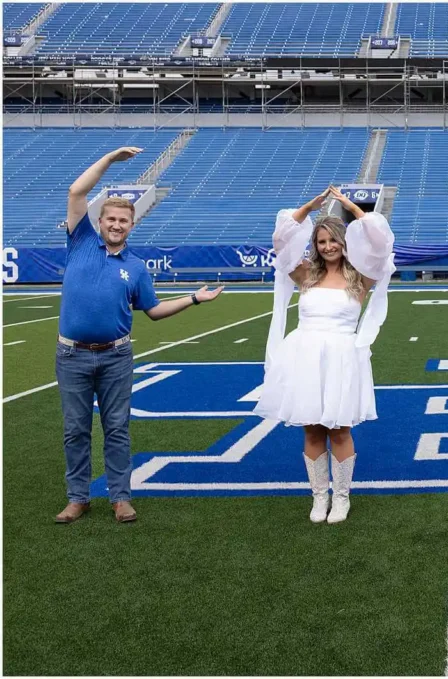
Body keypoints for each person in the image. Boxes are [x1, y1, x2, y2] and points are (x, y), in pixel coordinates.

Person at [56, 147, 224, 524]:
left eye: (124, 221)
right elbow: (75, 192)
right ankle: (77, 497)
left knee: (116, 428)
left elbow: (153, 311)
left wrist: (194, 299)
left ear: (132, 226)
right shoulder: (80, 241)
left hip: (115, 356)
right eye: (111, 219)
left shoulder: (136, 267)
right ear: (99, 221)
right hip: (72, 356)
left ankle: (120, 498)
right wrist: (109, 160)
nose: (117, 225)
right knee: (75, 430)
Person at [254, 187, 395, 524]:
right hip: (305, 355)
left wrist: (352, 208)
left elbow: (380, 242)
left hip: (342, 357)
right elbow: (282, 240)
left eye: (334, 240)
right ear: (315, 246)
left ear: (345, 242)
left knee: (340, 430)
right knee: (312, 430)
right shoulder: (304, 272)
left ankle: (342, 497)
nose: (328, 246)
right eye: (321, 241)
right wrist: (307, 208)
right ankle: (319, 497)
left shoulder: (361, 277)